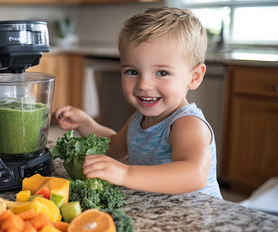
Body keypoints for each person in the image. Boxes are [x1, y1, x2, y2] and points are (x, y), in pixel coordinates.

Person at [54, 7, 222, 199]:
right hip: (159, 211)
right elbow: (114, 148)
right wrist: (85, 124)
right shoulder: (139, 119)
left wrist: (125, 174)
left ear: (194, 77)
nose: (144, 84)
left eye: (162, 73)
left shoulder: (187, 124)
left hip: (197, 218)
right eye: (132, 72)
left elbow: (194, 174)